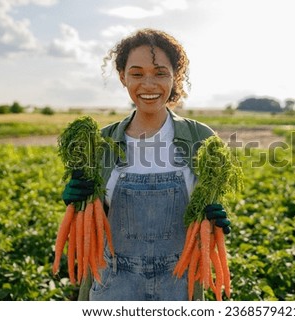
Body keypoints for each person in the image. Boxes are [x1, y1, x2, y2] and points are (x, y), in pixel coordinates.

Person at [61, 28, 230, 301]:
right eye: (137, 74)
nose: (148, 84)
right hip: (113, 285)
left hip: (179, 284)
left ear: (175, 77)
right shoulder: (99, 143)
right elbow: (92, 219)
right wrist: (76, 205)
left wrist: (216, 221)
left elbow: (208, 209)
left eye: (160, 73)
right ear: (122, 77)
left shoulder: (201, 138)